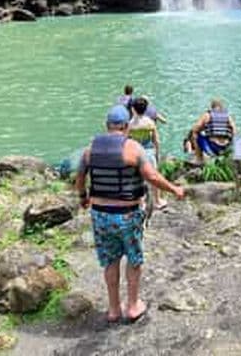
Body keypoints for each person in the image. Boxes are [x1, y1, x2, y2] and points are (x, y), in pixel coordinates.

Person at [75, 106, 184, 324]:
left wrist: (83, 198)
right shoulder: (132, 148)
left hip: (100, 215)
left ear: (107, 126)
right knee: (133, 260)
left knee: (110, 261)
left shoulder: (89, 150)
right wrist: (174, 189)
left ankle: (114, 309)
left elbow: (79, 177)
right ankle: (133, 306)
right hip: (127, 214)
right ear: (126, 127)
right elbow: (151, 176)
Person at [128, 96, 166, 211]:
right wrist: (157, 154)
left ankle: (141, 202)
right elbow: (156, 141)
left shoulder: (130, 124)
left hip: (135, 152)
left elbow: (126, 140)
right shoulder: (149, 123)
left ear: (133, 109)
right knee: (154, 177)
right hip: (149, 152)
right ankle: (158, 201)